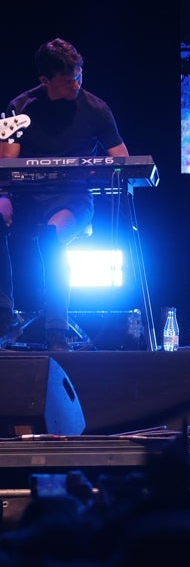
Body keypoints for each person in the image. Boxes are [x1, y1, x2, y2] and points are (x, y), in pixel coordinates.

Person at [0, 38, 129, 350]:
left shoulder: (97, 109)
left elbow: (122, 159)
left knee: (51, 235)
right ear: (45, 80)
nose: (76, 83)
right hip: (27, 198)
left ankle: (56, 330)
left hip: (72, 201)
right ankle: (5, 316)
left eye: (79, 74)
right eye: (68, 79)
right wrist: (3, 197)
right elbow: (5, 163)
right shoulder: (19, 108)